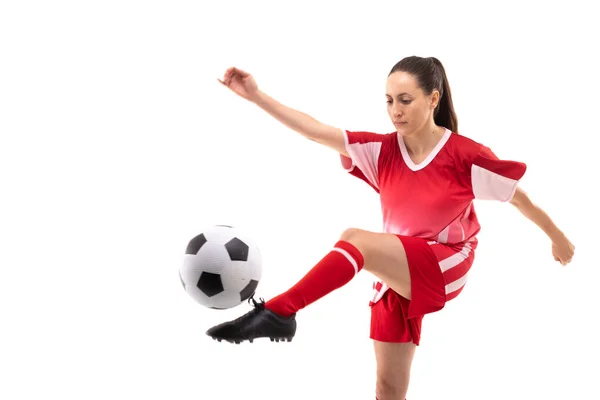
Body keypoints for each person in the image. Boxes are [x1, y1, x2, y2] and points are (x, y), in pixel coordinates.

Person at [206, 56, 575, 400]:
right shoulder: (382, 150)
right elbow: (316, 132)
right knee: (388, 386)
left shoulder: (466, 156)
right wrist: (255, 96)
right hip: (396, 271)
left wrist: (558, 239)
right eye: (388, 101)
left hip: (446, 264)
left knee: (355, 240)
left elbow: (520, 199)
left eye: (405, 100)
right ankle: (280, 315)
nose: (395, 111)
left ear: (433, 99)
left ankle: (280, 312)